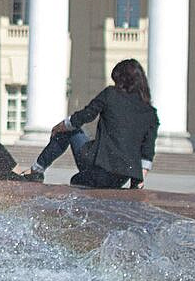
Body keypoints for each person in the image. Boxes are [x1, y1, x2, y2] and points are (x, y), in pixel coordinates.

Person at [22, 58, 158, 189]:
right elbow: (147, 151)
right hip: (120, 179)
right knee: (79, 178)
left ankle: (36, 171)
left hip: (98, 167)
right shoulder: (150, 112)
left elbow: (84, 116)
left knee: (69, 132)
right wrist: (138, 182)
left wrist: (59, 126)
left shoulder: (110, 94)